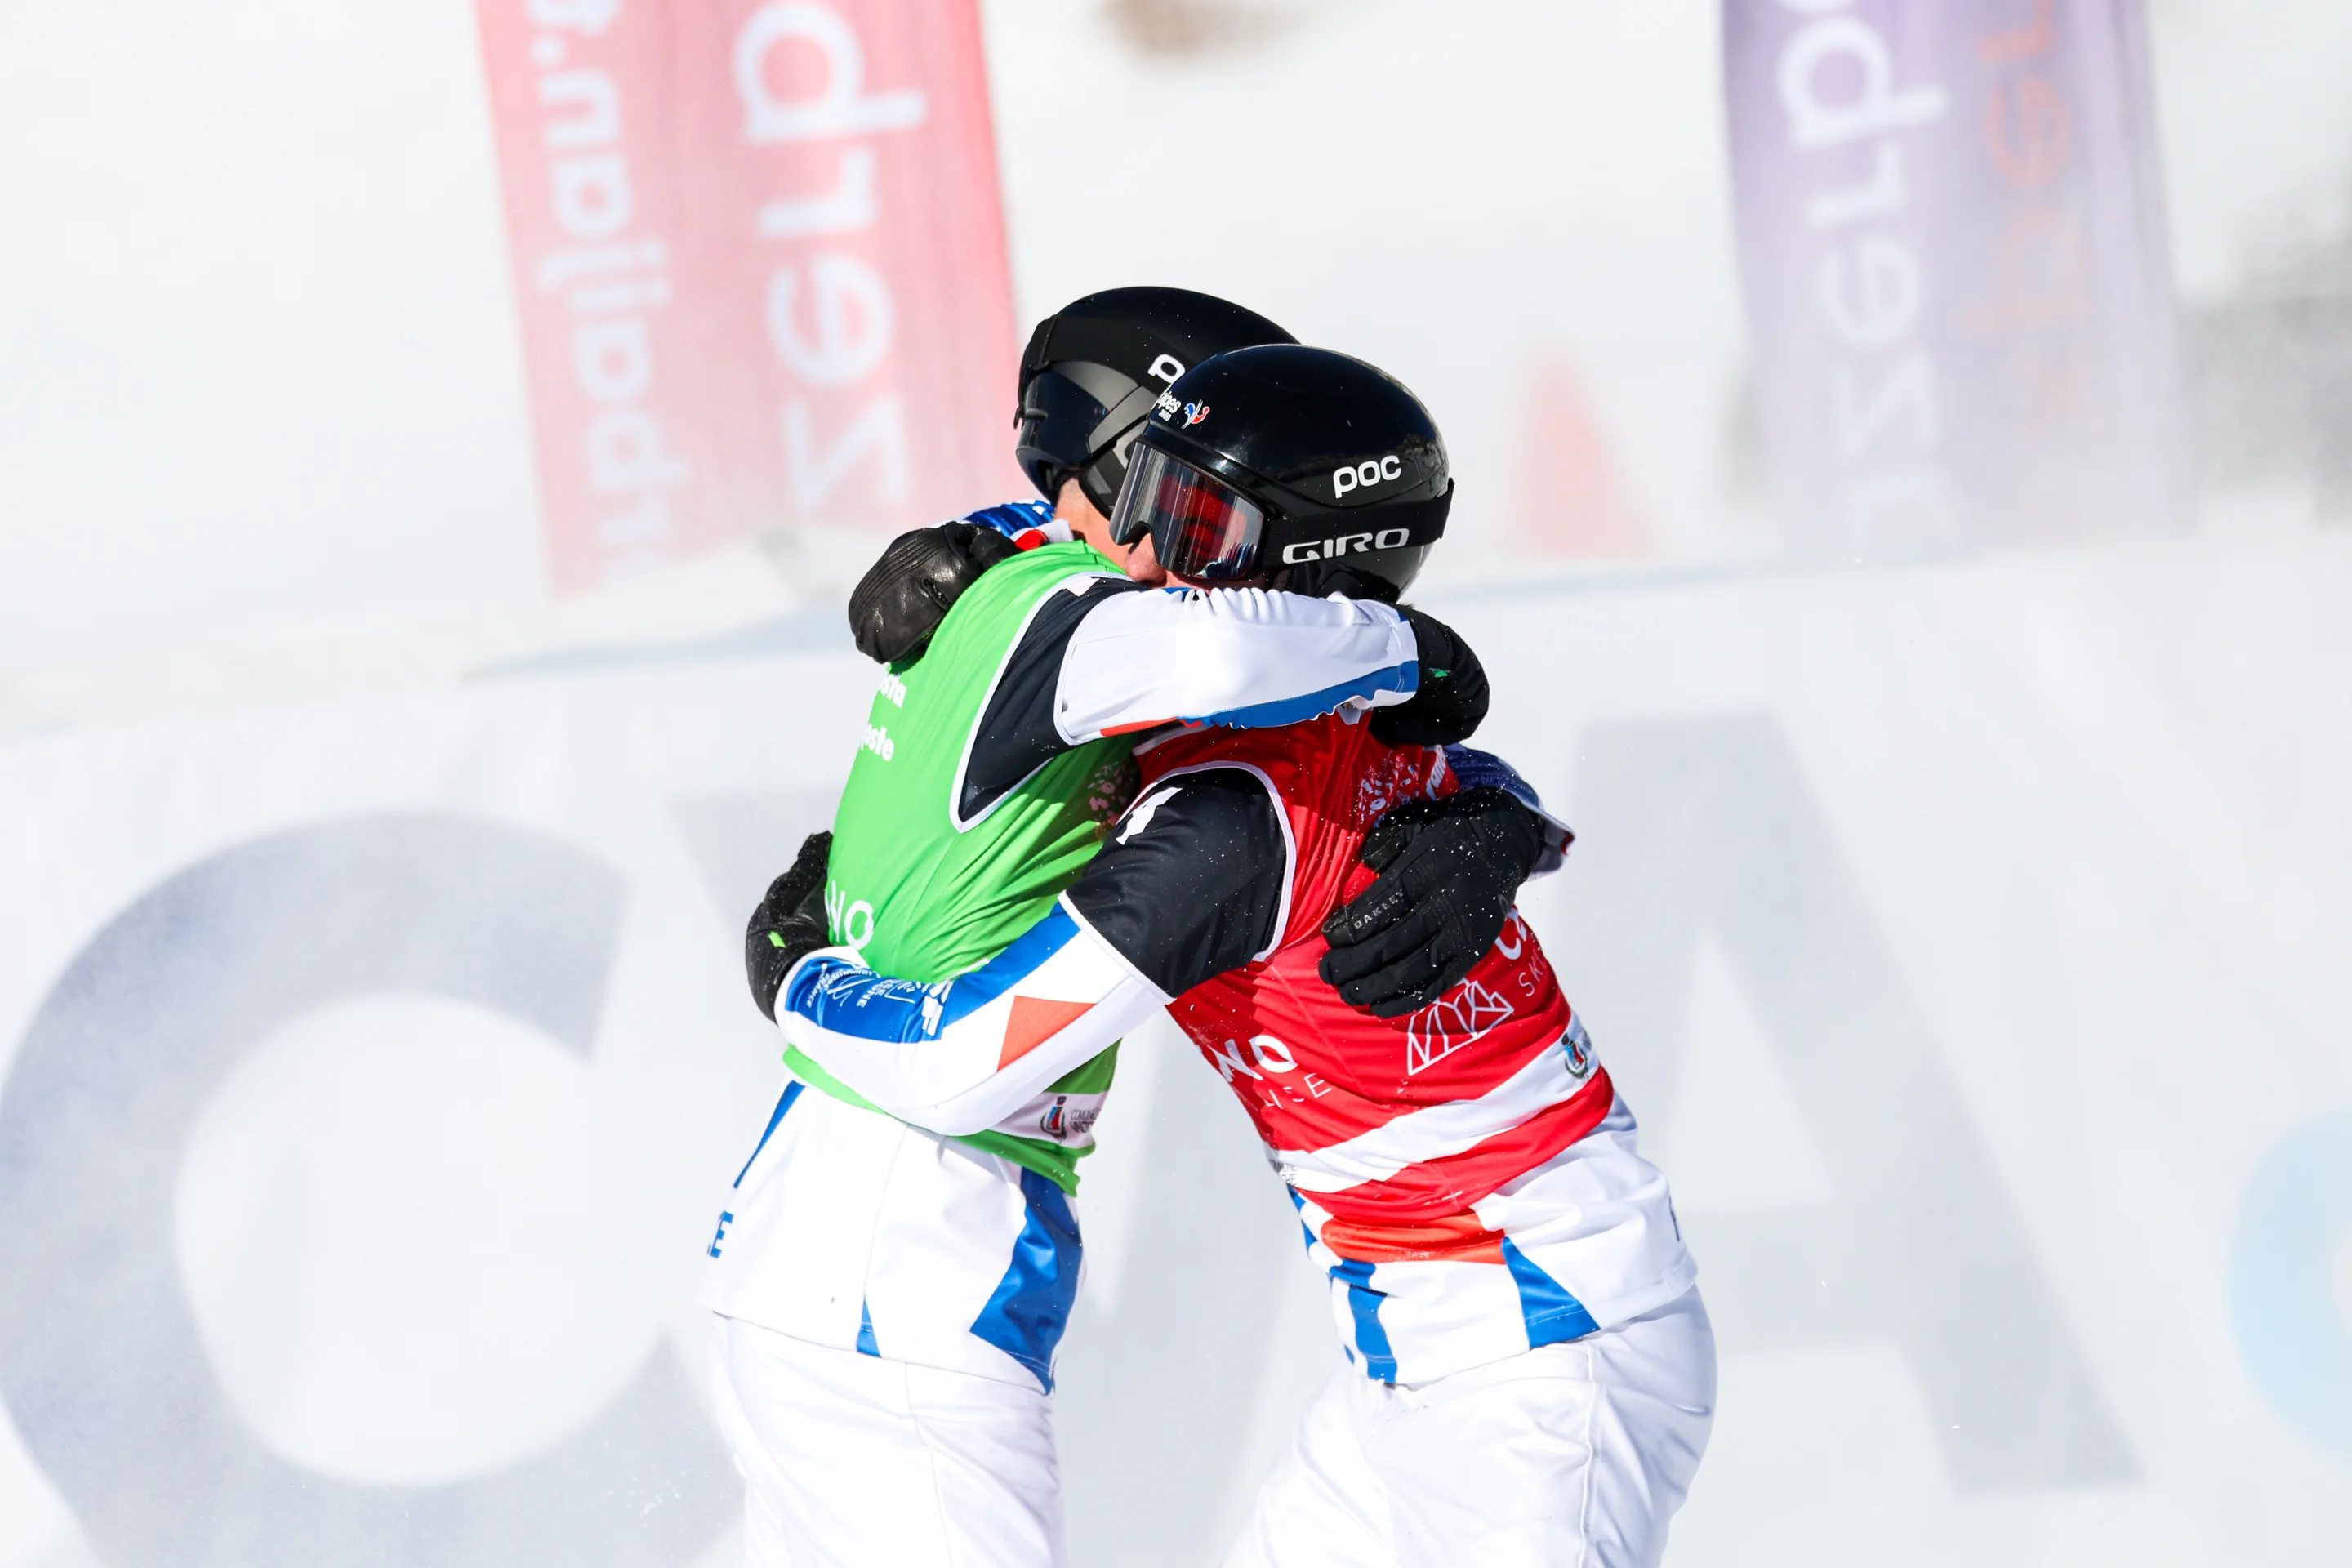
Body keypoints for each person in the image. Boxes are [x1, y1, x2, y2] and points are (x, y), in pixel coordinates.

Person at [772, 345, 1714, 1568]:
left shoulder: (1227, 819)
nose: (1137, 556)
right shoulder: (1323, 706)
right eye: (1144, 497)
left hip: (1541, 1345)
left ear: (1306, 566)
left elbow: (960, 1067)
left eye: (1194, 524)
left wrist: (795, 972)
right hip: (1424, 1352)